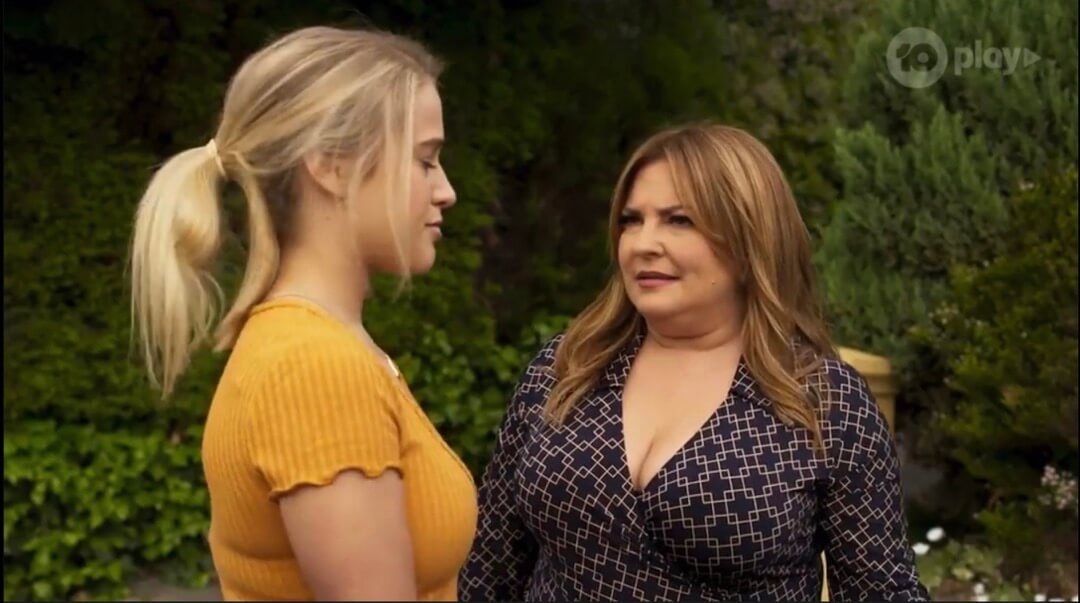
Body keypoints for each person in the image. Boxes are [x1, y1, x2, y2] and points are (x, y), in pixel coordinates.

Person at [459, 122, 929, 601]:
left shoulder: (825, 400)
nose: (643, 243)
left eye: (679, 220)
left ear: (749, 238)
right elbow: (488, 571)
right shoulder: (567, 367)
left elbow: (883, 590)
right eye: (631, 220)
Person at [130, 26, 476, 601]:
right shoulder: (314, 369)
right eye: (425, 160)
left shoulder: (315, 345)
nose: (446, 191)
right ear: (331, 166)